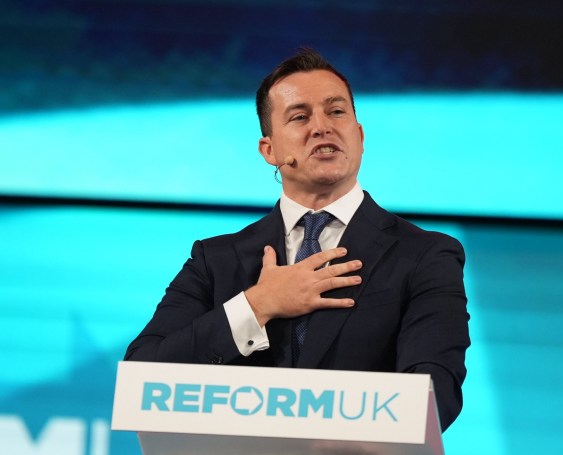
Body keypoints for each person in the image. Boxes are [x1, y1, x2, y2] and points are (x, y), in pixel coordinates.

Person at [125, 49, 470, 431]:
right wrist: (257, 305)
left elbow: (434, 394)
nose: (322, 127)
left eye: (336, 112)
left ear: (358, 136)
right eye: (300, 116)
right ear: (269, 150)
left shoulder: (425, 255)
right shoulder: (215, 260)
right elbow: (142, 378)